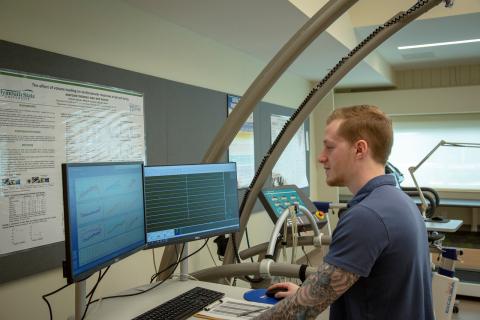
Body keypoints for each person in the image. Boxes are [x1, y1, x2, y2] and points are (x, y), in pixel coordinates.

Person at [254, 105, 434, 320]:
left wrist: (304, 299)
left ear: (359, 149)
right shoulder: (399, 201)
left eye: (329, 147)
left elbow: (302, 309)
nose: (321, 158)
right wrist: (305, 294)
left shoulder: (367, 216)